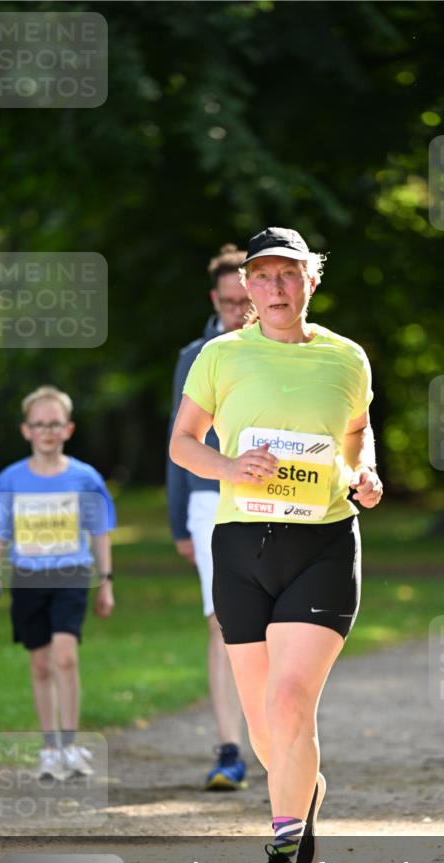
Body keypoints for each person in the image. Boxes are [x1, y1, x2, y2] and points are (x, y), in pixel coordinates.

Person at [170, 227, 383, 863]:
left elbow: (355, 431)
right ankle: (303, 794)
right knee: (267, 726)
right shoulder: (219, 354)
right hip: (239, 548)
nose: (274, 288)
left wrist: (365, 470)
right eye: (261, 277)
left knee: (291, 702)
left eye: (287, 275)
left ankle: (281, 857)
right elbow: (181, 443)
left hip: (321, 544)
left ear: (309, 283)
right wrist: (228, 466)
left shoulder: (346, 358)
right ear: (247, 287)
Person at [0, 386, 116, 781]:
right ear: (26, 430)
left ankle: (71, 745)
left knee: (65, 656)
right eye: (39, 424)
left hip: (72, 575)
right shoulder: (10, 479)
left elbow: (100, 531)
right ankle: (50, 747)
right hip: (26, 578)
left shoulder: (85, 478)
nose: (47, 431)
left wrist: (105, 582)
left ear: (68, 428)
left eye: (54, 423)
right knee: (40, 664)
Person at [167, 245, 251, 791]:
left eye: (245, 302)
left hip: (275, 498)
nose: (237, 313)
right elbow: (176, 440)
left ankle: (275, 740)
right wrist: (178, 522)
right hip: (206, 499)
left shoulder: (282, 351)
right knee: (222, 621)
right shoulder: (194, 355)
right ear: (213, 299)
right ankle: (230, 749)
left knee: (268, 625)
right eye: (228, 302)